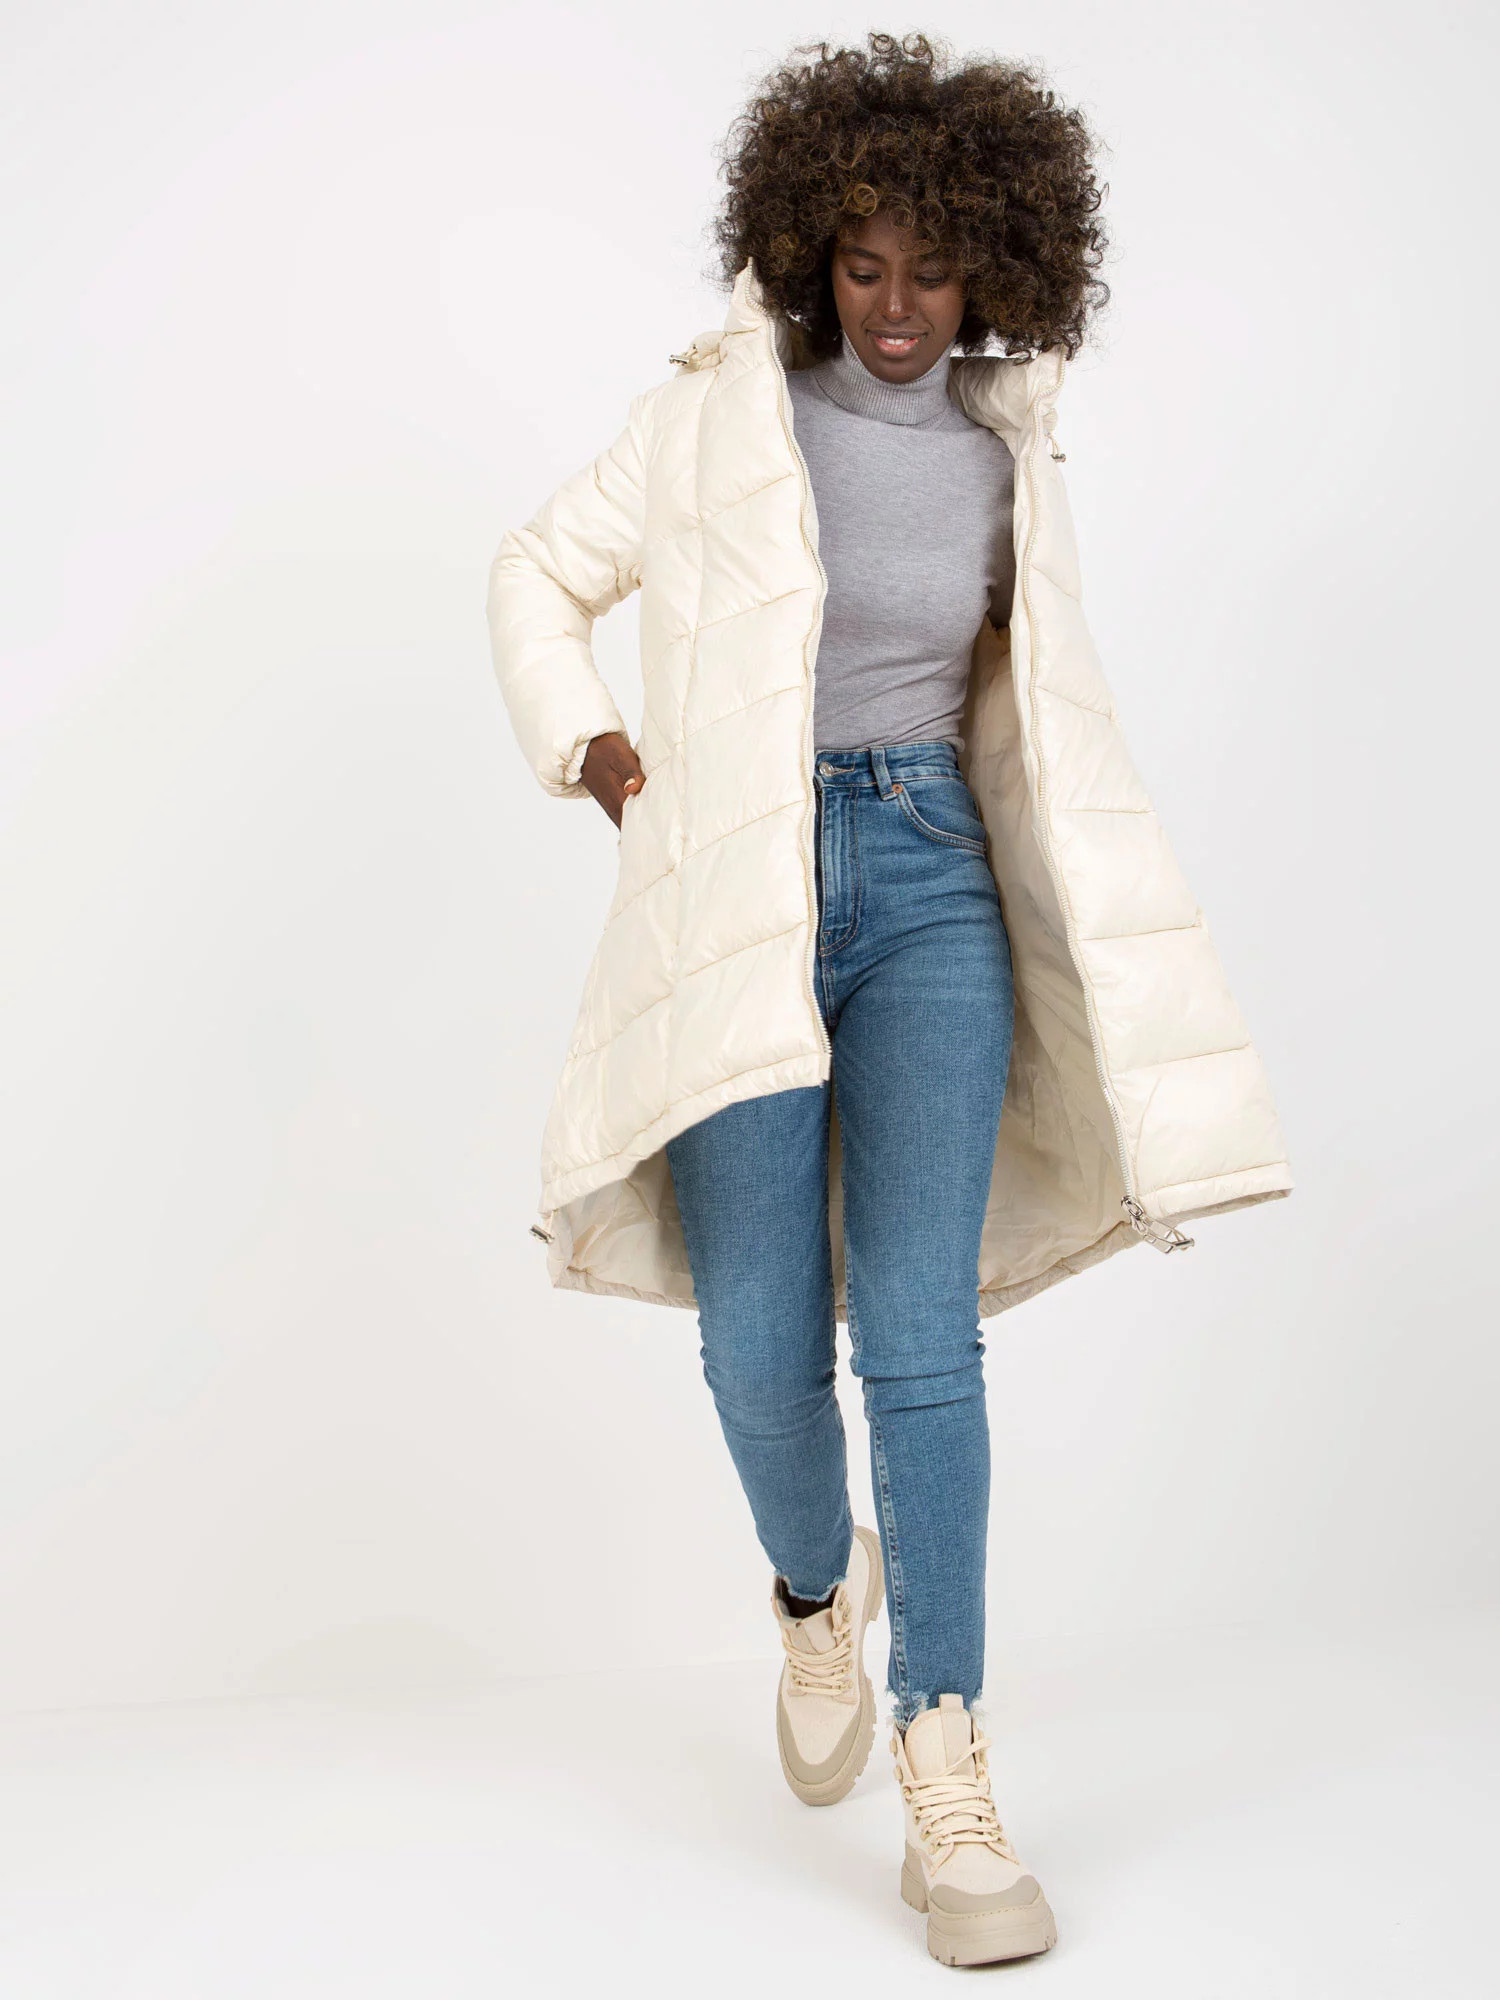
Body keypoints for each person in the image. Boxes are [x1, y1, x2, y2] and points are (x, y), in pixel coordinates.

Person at [487, 32, 1291, 1968]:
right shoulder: (713, 420)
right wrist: (599, 753)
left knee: (921, 1336)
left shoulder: (1011, 450)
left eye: (936, 268)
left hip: (931, 879)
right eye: (865, 265)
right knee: (759, 1355)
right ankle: (811, 1590)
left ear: (996, 259)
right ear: (809, 254)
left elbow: (1034, 700)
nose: (902, 306)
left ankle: (949, 1764)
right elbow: (535, 571)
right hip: (742, 891)